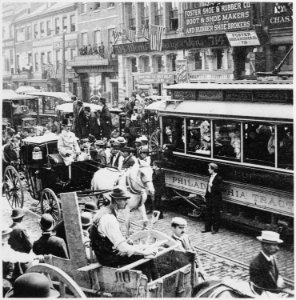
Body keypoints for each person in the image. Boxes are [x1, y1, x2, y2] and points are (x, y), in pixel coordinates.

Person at [89, 186, 158, 269]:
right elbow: (122, 247)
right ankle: (151, 280)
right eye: (124, 199)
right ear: (117, 200)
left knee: (143, 250)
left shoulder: (106, 211)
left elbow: (113, 239)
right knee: (145, 257)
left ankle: (155, 279)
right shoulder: (108, 218)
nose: (127, 202)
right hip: (107, 258)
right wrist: (144, 253)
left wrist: (127, 244)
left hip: (109, 252)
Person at [249, 231, 289, 295]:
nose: (277, 248)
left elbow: (276, 275)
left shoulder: (272, 258)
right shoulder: (256, 264)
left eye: (277, 245)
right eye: (274, 245)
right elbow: (258, 289)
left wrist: (279, 282)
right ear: (265, 246)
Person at [171, 217, 205, 286]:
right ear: (173, 228)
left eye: (184, 228)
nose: (183, 230)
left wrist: (201, 268)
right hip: (182, 276)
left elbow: (195, 253)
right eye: (180, 228)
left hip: (193, 271)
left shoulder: (186, 237)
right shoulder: (170, 242)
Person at [202, 163, 222, 234]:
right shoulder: (210, 176)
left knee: (215, 214)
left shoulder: (219, 178)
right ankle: (207, 228)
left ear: (213, 169)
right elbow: (208, 188)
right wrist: (206, 195)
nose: (208, 169)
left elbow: (219, 189)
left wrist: (212, 185)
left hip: (216, 198)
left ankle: (215, 229)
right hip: (209, 197)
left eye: (209, 168)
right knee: (208, 213)